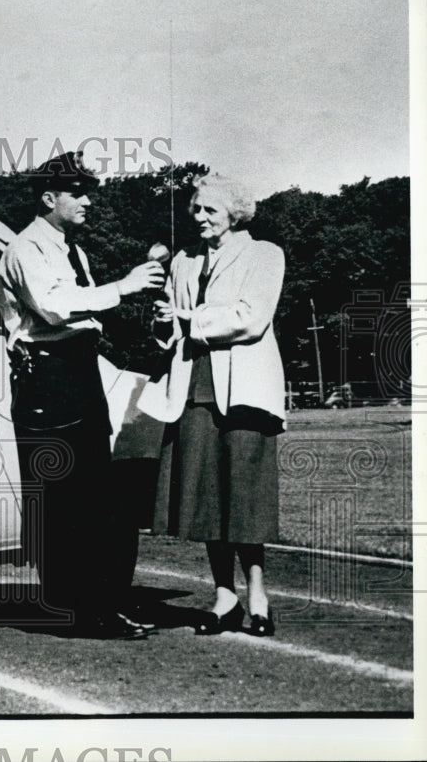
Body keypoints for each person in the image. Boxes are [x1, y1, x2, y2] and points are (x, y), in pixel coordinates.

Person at [0, 151, 165, 639]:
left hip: (78, 373)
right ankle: (81, 609)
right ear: (49, 198)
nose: (89, 200)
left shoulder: (73, 249)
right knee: (67, 499)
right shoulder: (27, 248)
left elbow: (83, 312)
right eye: (79, 192)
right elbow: (53, 307)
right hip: (49, 377)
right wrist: (125, 285)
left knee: (94, 495)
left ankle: (93, 604)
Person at [142, 173, 285, 637]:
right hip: (192, 386)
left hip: (245, 389)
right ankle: (225, 596)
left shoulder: (265, 254)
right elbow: (170, 334)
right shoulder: (183, 262)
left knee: (243, 496)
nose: (199, 217)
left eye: (210, 210)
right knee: (204, 495)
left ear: (234, 212)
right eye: (196, 209)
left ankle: (258, 594)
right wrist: (163, 321)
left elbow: (251, 318)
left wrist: (186, 318)